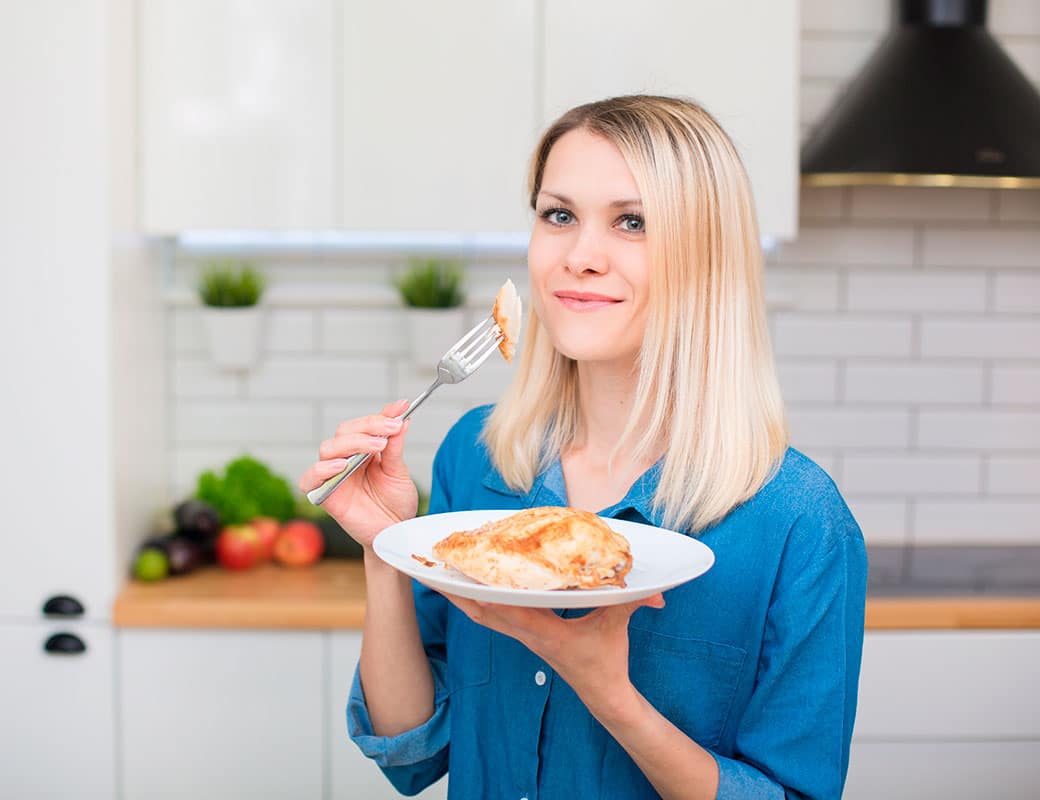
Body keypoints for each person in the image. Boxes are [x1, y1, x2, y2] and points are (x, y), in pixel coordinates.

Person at [300, 95, 867, 800]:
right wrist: (385, 551)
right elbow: (412, 751)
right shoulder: (475, 460)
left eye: (633, 222)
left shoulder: (798, 522)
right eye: (558, 215)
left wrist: (609, 693)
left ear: (706, 254)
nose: (579, 258)